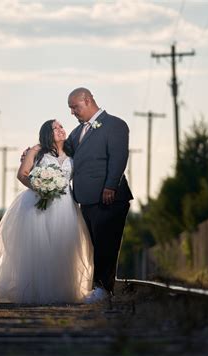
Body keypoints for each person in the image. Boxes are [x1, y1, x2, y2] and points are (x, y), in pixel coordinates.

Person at [0, 119, 93, 304]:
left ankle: (60, 291)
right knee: (40, 247)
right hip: (40, 203)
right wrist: (40, 187)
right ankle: (33, 291)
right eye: (55, 128)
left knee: (63, 247)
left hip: (65, 205)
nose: (60, 130)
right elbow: (22, 174)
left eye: (61, 126)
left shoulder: (73, 151)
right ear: (47, 134)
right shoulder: (37, 151)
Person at [66, 88, 133, 302]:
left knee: (107, 244)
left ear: (87, 100)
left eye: (75, 107)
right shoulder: (76, 133)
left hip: (109, 197)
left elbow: (119, 157)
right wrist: (35, 152)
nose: (72, 112)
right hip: (86, 199)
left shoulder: (115, 125)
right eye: (70, 109)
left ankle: (104, 289)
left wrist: (111, 186)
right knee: (94, 245)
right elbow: (60, 151)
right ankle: (97, 287)